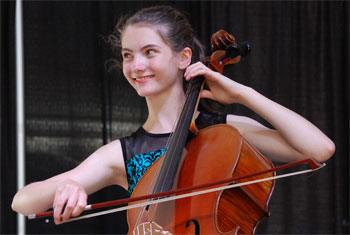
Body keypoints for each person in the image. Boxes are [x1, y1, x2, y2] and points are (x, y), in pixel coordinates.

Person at [12, 5, 335, 227]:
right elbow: (23, 202)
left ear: (183, 58)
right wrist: (70, 186)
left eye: (149, 52)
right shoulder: (124, 153)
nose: (136, 66)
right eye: (128, 55)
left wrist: (241, 94)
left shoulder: (227, 131)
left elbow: (318, 149)